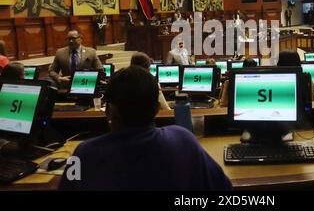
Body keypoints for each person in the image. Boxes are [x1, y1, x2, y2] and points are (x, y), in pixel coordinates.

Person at [59, 66, 232, 190]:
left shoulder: (84, 153)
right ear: (157, 109)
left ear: (109, 111)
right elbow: (224, 188)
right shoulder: (183, 139)